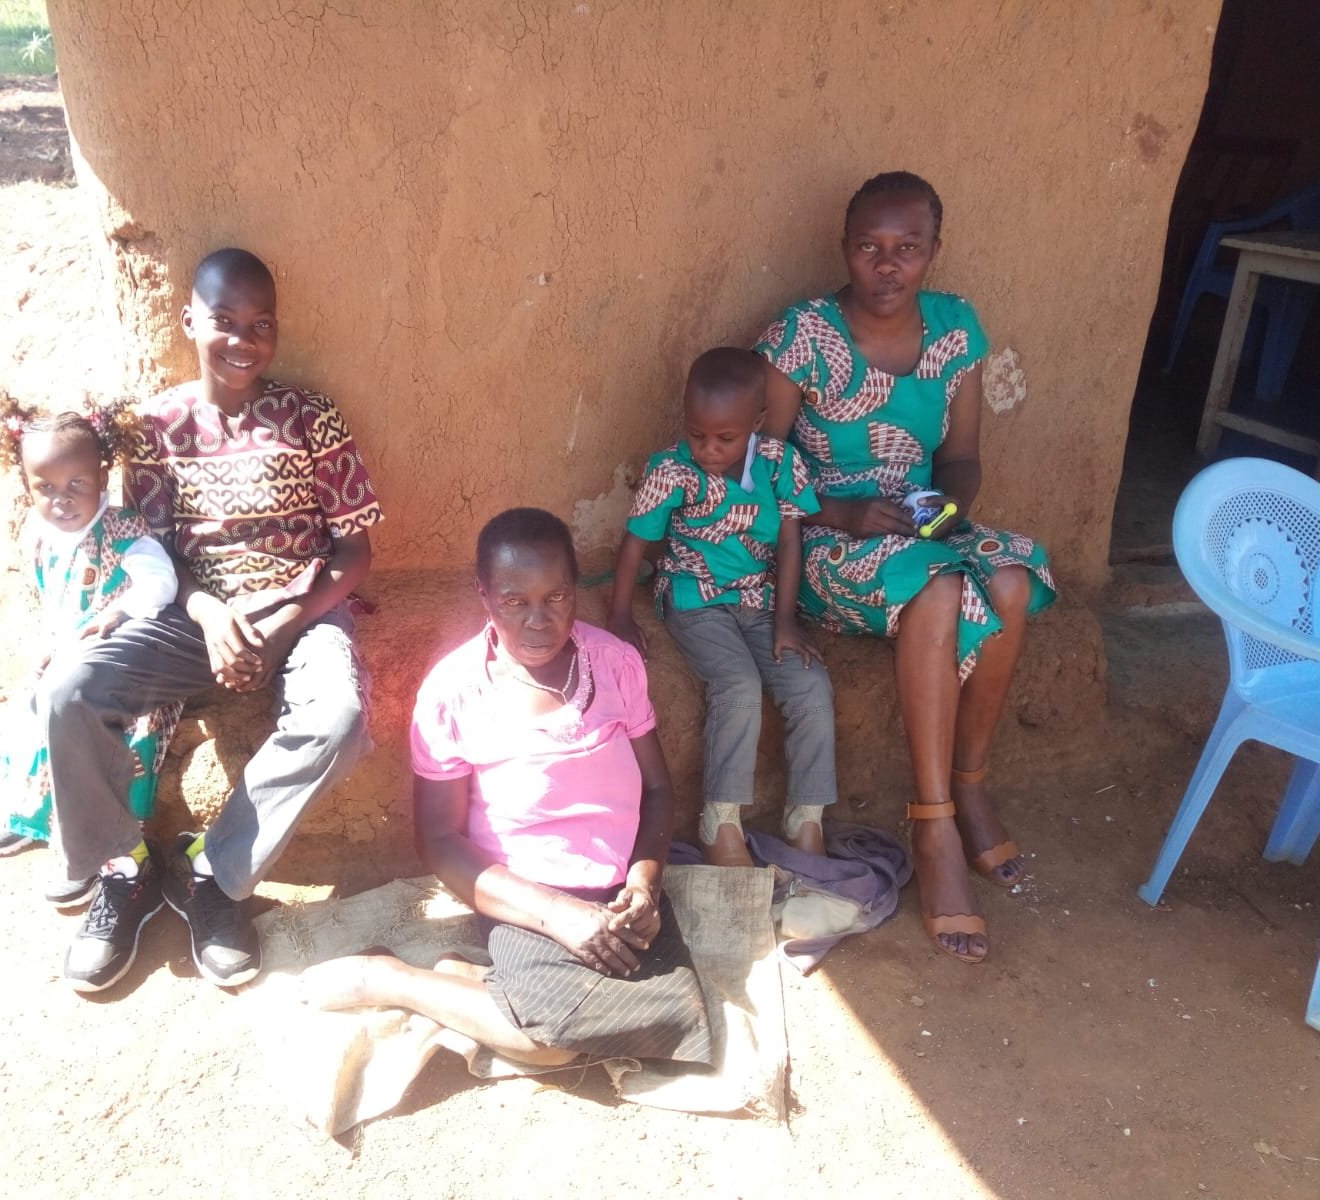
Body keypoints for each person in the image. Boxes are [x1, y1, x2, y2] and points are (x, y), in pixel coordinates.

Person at [41, 246, 383, 993]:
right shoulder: (157, 426)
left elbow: (355, 549)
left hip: (302, 607)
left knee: (342, 719)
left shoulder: (309, 416)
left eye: (261, 324)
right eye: (224, 320)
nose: (243, 340)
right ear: (189, 319)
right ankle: (121, 868)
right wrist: (209, 614)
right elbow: (155, 550)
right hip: (189, 612)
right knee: (69, 689)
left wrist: (289, 622)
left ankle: (213, 874)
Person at [753, 171, 1056, 963]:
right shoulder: (802, 337)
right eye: (869, 247)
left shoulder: (956, 332)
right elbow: (761, 468)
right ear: (844, 249)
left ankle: (972, 780)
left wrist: (946, 511)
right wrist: (839, 512)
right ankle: (934, 825)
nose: (887, 266)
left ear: (933, 253)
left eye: (908, 249)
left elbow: (961, 459)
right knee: (941, 584)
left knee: (1013, 581)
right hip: (821, 538)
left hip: (919, 528)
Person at [301, 508, 712, 1067]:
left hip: (616, 894)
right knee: (547, 1043)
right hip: (522, 895)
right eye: (514, 602)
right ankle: (394, 979)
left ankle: (474, 983)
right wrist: (555, 916)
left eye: (557, 598)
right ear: (485, 597)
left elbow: (658, 790)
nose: (538, 621)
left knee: (673, 1015)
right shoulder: (453, 692)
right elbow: (440, 840)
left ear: (574, 591)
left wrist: (644, 884)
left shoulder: (615, 664)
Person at [606, 348, 837, 866]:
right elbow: (636, 542)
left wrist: (785, 621)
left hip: (758, 601)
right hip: (692, 596)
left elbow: (790, 543)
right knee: (737, 683)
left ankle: (807, 819)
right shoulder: (672, 470)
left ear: (756, 423)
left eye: (725, 438)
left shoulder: (780, 464)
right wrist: (619, 615)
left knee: (810, 684)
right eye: (697, 434)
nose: (708, 449)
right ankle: (722, 821)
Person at [0, 394, 181, 911]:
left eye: (77, 486)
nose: (62, 500)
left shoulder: (123, 531)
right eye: (45, 488)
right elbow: (54, 606)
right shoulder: (42, 539)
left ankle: (96, 852)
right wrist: (49, 648)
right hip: (66, 660)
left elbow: (161, 582)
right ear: (26, 485)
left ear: (103, 478)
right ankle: (35, 820)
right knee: (32, 717)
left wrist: (124, 611)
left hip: (118, 668)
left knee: (98, 737)